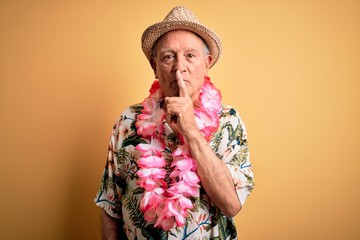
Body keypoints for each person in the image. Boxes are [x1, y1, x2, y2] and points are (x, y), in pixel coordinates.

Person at [94, 6, 254, 240]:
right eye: (168, 57)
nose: (180, 67)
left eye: (190, 55)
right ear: (154, 66)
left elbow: (231, 205)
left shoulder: (229, 121)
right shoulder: (128, 121)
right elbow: (110, 205)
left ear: (207, 63)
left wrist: (190, 131)